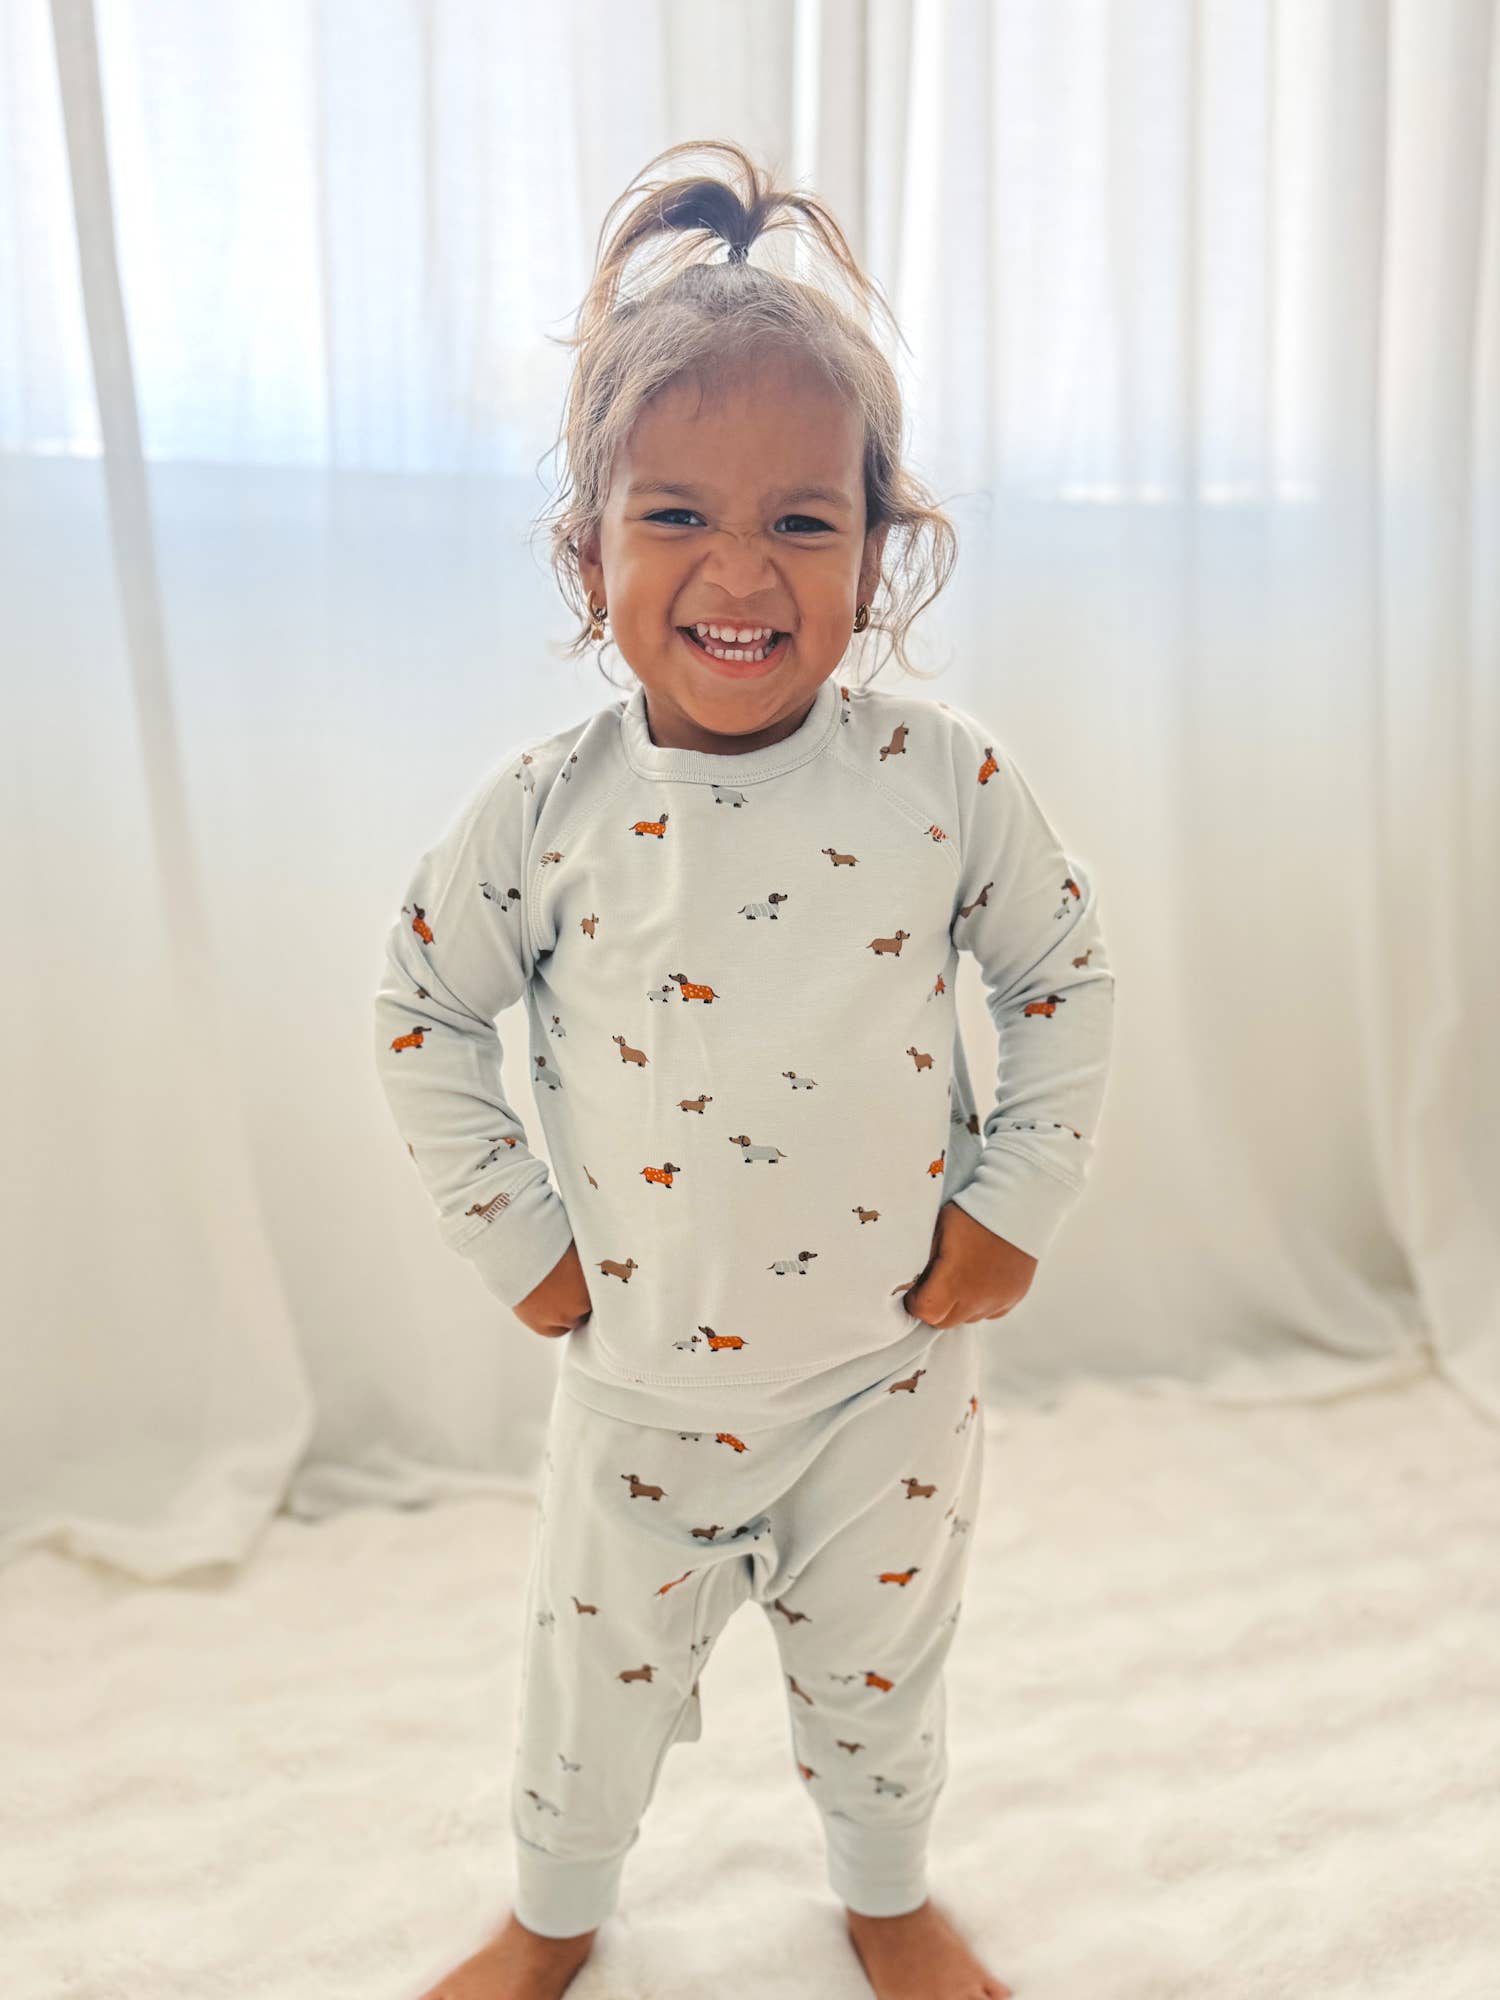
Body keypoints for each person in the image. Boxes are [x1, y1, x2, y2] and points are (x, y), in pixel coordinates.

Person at [374, 139, 1115, 2000]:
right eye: (677, 515)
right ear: (590, 551)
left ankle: (885, 1889)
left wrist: (1016, 1202)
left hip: (890, 1373)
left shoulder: (942, 780)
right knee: (589, 1687)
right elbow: (421, 1009)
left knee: (885, 1669)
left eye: (802, 521)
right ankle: (554, 1916)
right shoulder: (546, 813)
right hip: (643, 1385)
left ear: (879, 550)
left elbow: (1063, 975)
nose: (741, 571)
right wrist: (520, 1239)